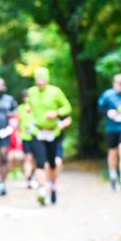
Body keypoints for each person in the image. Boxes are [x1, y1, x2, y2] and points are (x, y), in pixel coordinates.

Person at [26, 67, 72, 206]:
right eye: (37, 80)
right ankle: (41, 190)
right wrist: (29, 109)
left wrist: (56, 113)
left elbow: (67, 108)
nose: (40, 83)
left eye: (42, 79)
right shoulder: (31, 92)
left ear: (47, 79)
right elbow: (30, 106)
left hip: (53, 132)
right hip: (37, 132)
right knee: (40, 162)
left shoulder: (55, 91)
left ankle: (52, 186)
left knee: (52, 163)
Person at [17, 90, 36, 188]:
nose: (27, 99)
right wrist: (18, 135)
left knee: (35, 159)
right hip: (25, 136)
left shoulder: (36, 107)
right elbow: (17, 122)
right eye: (25, 97)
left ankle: (32, 175)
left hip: (36, 135)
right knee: (28, 157)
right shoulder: (20, 108)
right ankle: (28, 178)